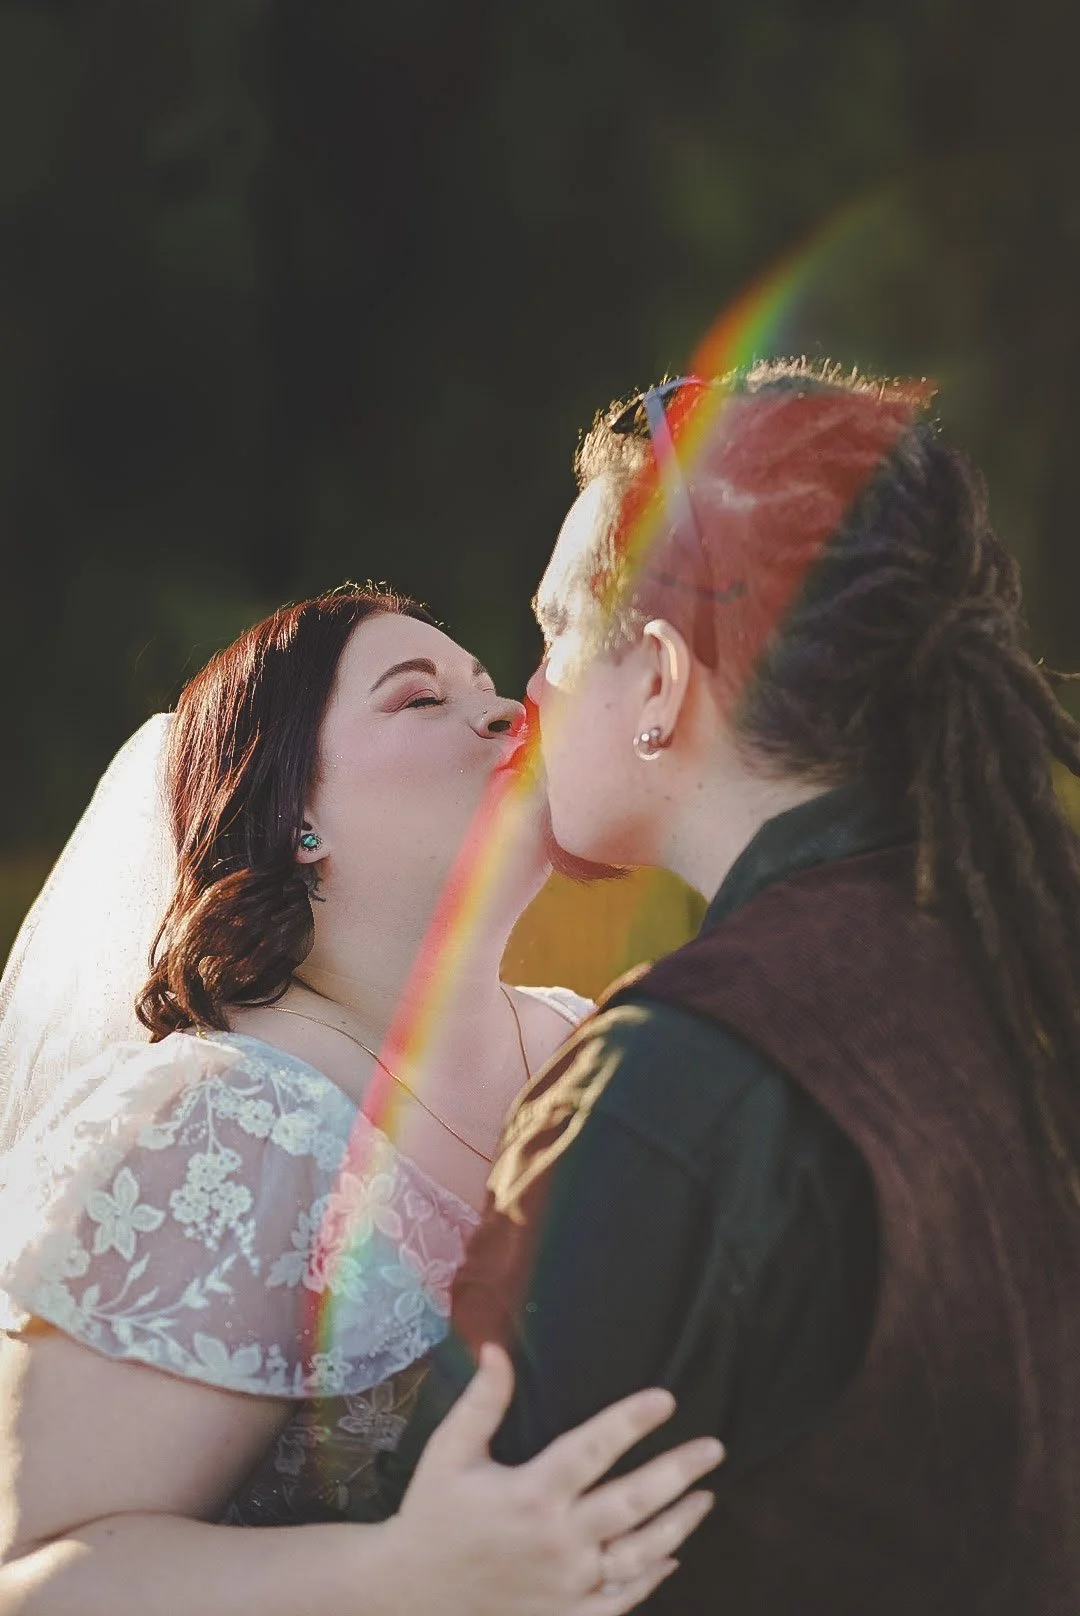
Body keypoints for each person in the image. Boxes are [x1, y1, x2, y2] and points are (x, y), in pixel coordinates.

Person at [368, 362, 1080, 1614]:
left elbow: (448, 1573)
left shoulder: (681, 1080)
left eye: (555, 635)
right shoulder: (1023, 964)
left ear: (658, 678)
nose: (531, 693)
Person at [0, 586, 722, 1615]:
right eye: (419, 697)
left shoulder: (594, 1042)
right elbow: (31, 1581)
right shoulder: (221, 1122)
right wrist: (401, 1576)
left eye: (491, 685)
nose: (505, 710)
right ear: (293, 816)